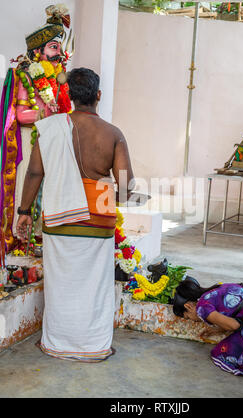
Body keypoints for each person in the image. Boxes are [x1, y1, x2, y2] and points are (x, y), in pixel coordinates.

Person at [16, 67, 134, 362]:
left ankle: (57, 343)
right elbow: (125, 187)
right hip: (100, 214)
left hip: (60, 213)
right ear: (98, 96)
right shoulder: (114, 134)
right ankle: (94, 345)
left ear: (68, 95)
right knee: (95, 283)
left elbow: (34, 172)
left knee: (61, 281)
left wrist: (24, 211)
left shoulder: (51, 127)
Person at [1, 4, 73, 251]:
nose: (59, 53)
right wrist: (44, 113)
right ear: (38, 51)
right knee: (27, 187)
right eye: (54, 47)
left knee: (46, 190)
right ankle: (21, 239)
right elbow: (20, 115)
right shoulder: (26, 76)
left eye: (59, 48)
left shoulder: (56, 79)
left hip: (49, 143)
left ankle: (39, 238)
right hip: (29, 141)